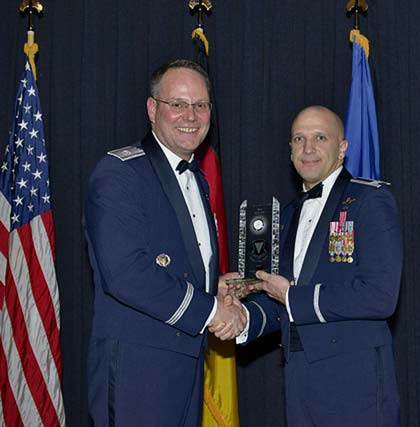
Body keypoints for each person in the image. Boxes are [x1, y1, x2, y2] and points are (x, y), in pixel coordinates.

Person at [84, 59, 246, 426]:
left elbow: (178, 264)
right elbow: (126, 274)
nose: (191, 116)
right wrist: (211, 310)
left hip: (187, 363)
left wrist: (214, 287)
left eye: (200, 105)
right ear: (152, 109)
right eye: (178, 104)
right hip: (138, 372)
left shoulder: (198, 180)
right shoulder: (119, 172)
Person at [241, 105, 402, 425]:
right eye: (299, 139)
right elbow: (280, 302)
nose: (308, 148)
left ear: (342, 148)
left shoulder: (370, 201)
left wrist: (292, 296)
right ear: (290, 150)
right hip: (299, 380)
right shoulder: (286, 214)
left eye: (320, 138)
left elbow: (380, 296)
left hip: (356, 384)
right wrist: (242, 318)